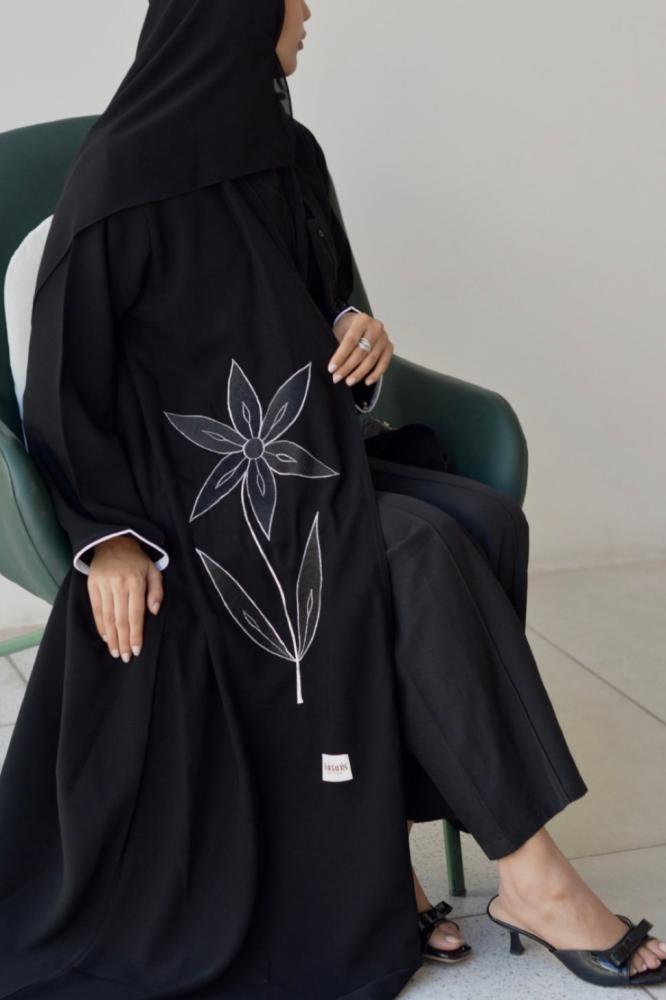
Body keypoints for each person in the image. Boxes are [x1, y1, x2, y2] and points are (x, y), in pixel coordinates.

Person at [0, 1, 664, 997]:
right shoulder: (116, 184)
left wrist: (358, 335)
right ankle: (535, 879)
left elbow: (321, 319)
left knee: (481, 521)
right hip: (190, 501)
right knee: (419, 553)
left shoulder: (289, 154)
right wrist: (112, 539)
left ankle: (380, 852)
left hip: (300, 457)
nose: (308, 10)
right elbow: (62, 394)